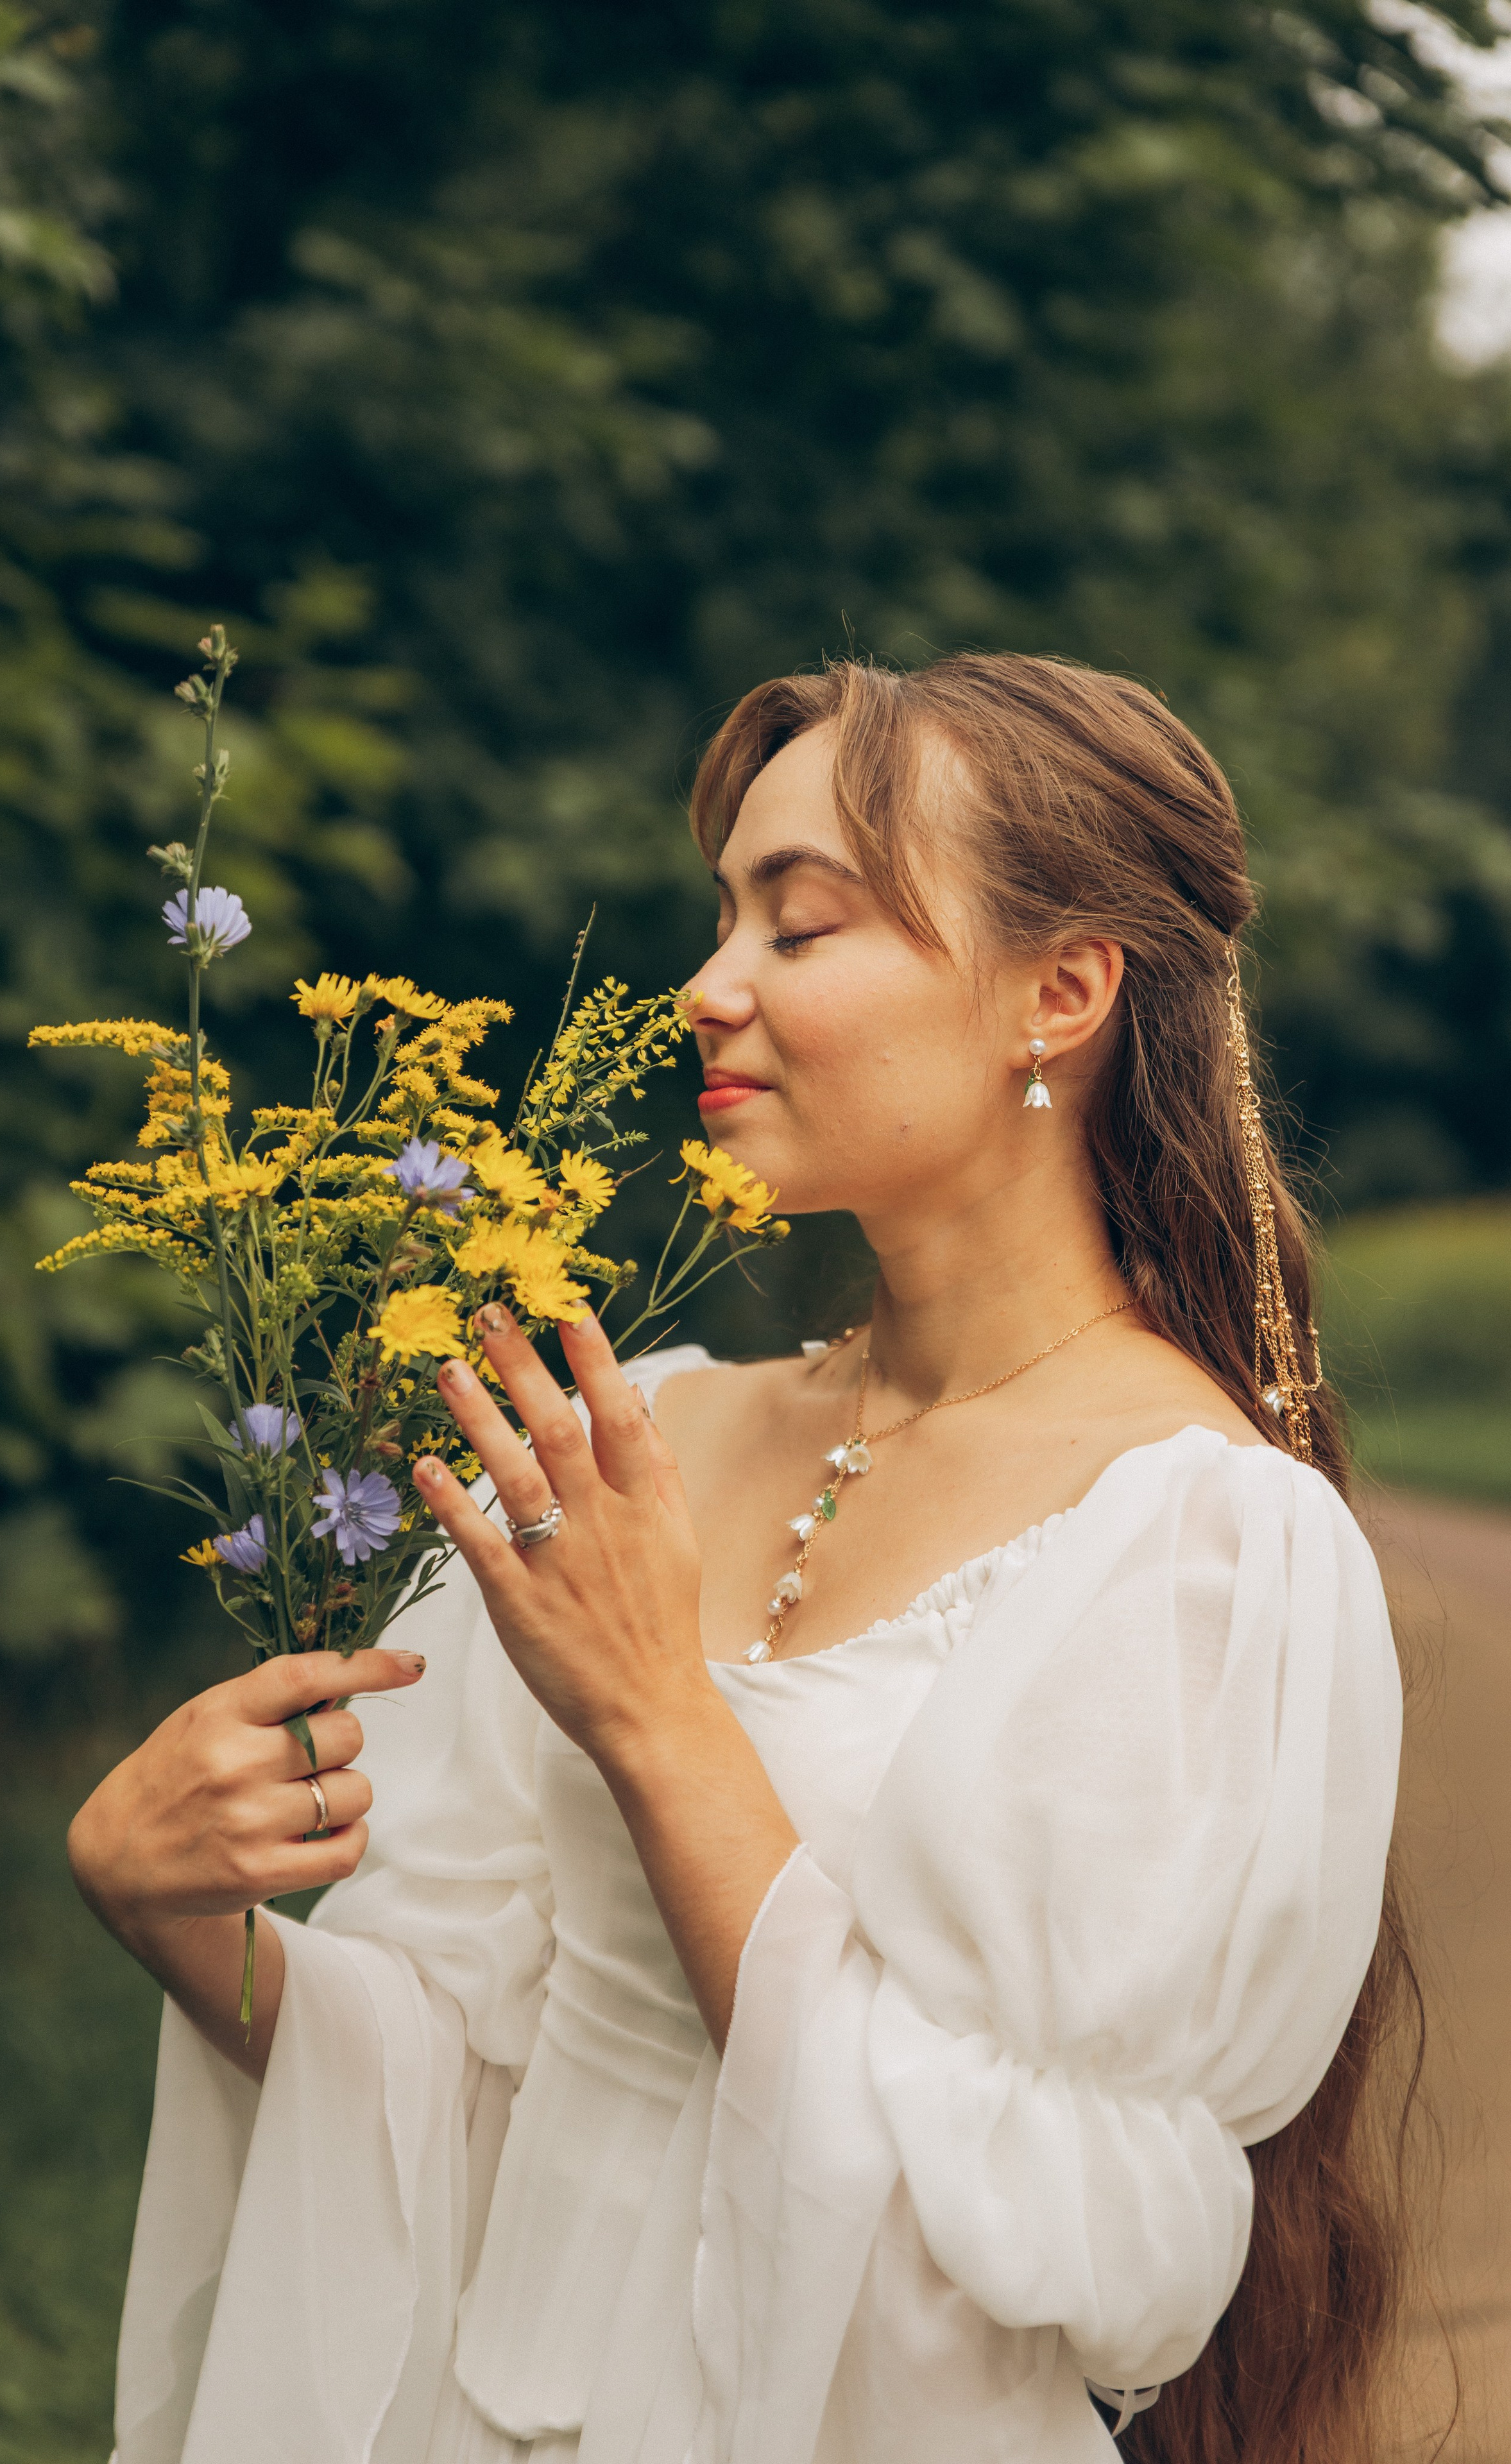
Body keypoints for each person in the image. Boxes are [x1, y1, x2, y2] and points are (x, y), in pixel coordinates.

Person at [71, 654, 1409, 2464]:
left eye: (805, 926)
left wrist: (655, 1715)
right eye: (724, 921)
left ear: (1061, 990)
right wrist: (184, 1919)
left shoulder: (1207, 1545)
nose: (709, 989)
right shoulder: (654, 1432)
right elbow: (464, 2077)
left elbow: (1038, 2270)